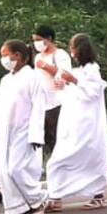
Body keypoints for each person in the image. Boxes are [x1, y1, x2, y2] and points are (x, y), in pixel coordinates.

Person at [0, 40, 48, 214]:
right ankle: (19, 209)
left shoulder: (33, 77)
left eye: (5, 55)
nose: (2, 59)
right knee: (4, 172)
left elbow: (38, 106)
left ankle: (37, 200)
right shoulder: (6, 80)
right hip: (6, 133)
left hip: (24, 131)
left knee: (16, 169)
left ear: (17, 56)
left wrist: (36, 134)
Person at [45, 34, 107, 212]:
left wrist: (73, 81)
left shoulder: (92, 69)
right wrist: (63, 86)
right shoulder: (79, 70)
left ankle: (96, 195)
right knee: (60, 160)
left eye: (72, 47)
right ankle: (56, 196)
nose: (71, 51)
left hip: (87, 125)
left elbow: (93, 92)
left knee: (87, 159)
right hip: (72, 124)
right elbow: (73, 93)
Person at [32, 24, 73, 160]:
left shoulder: (60, 54)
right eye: (34, 40)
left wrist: (46, 66)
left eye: (39, 39)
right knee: (44, 137)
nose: (36, 43)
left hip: (57, 102)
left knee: (57, 135)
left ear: (48, 39)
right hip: (41, 102)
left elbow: (66, 75)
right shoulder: (38, 57)